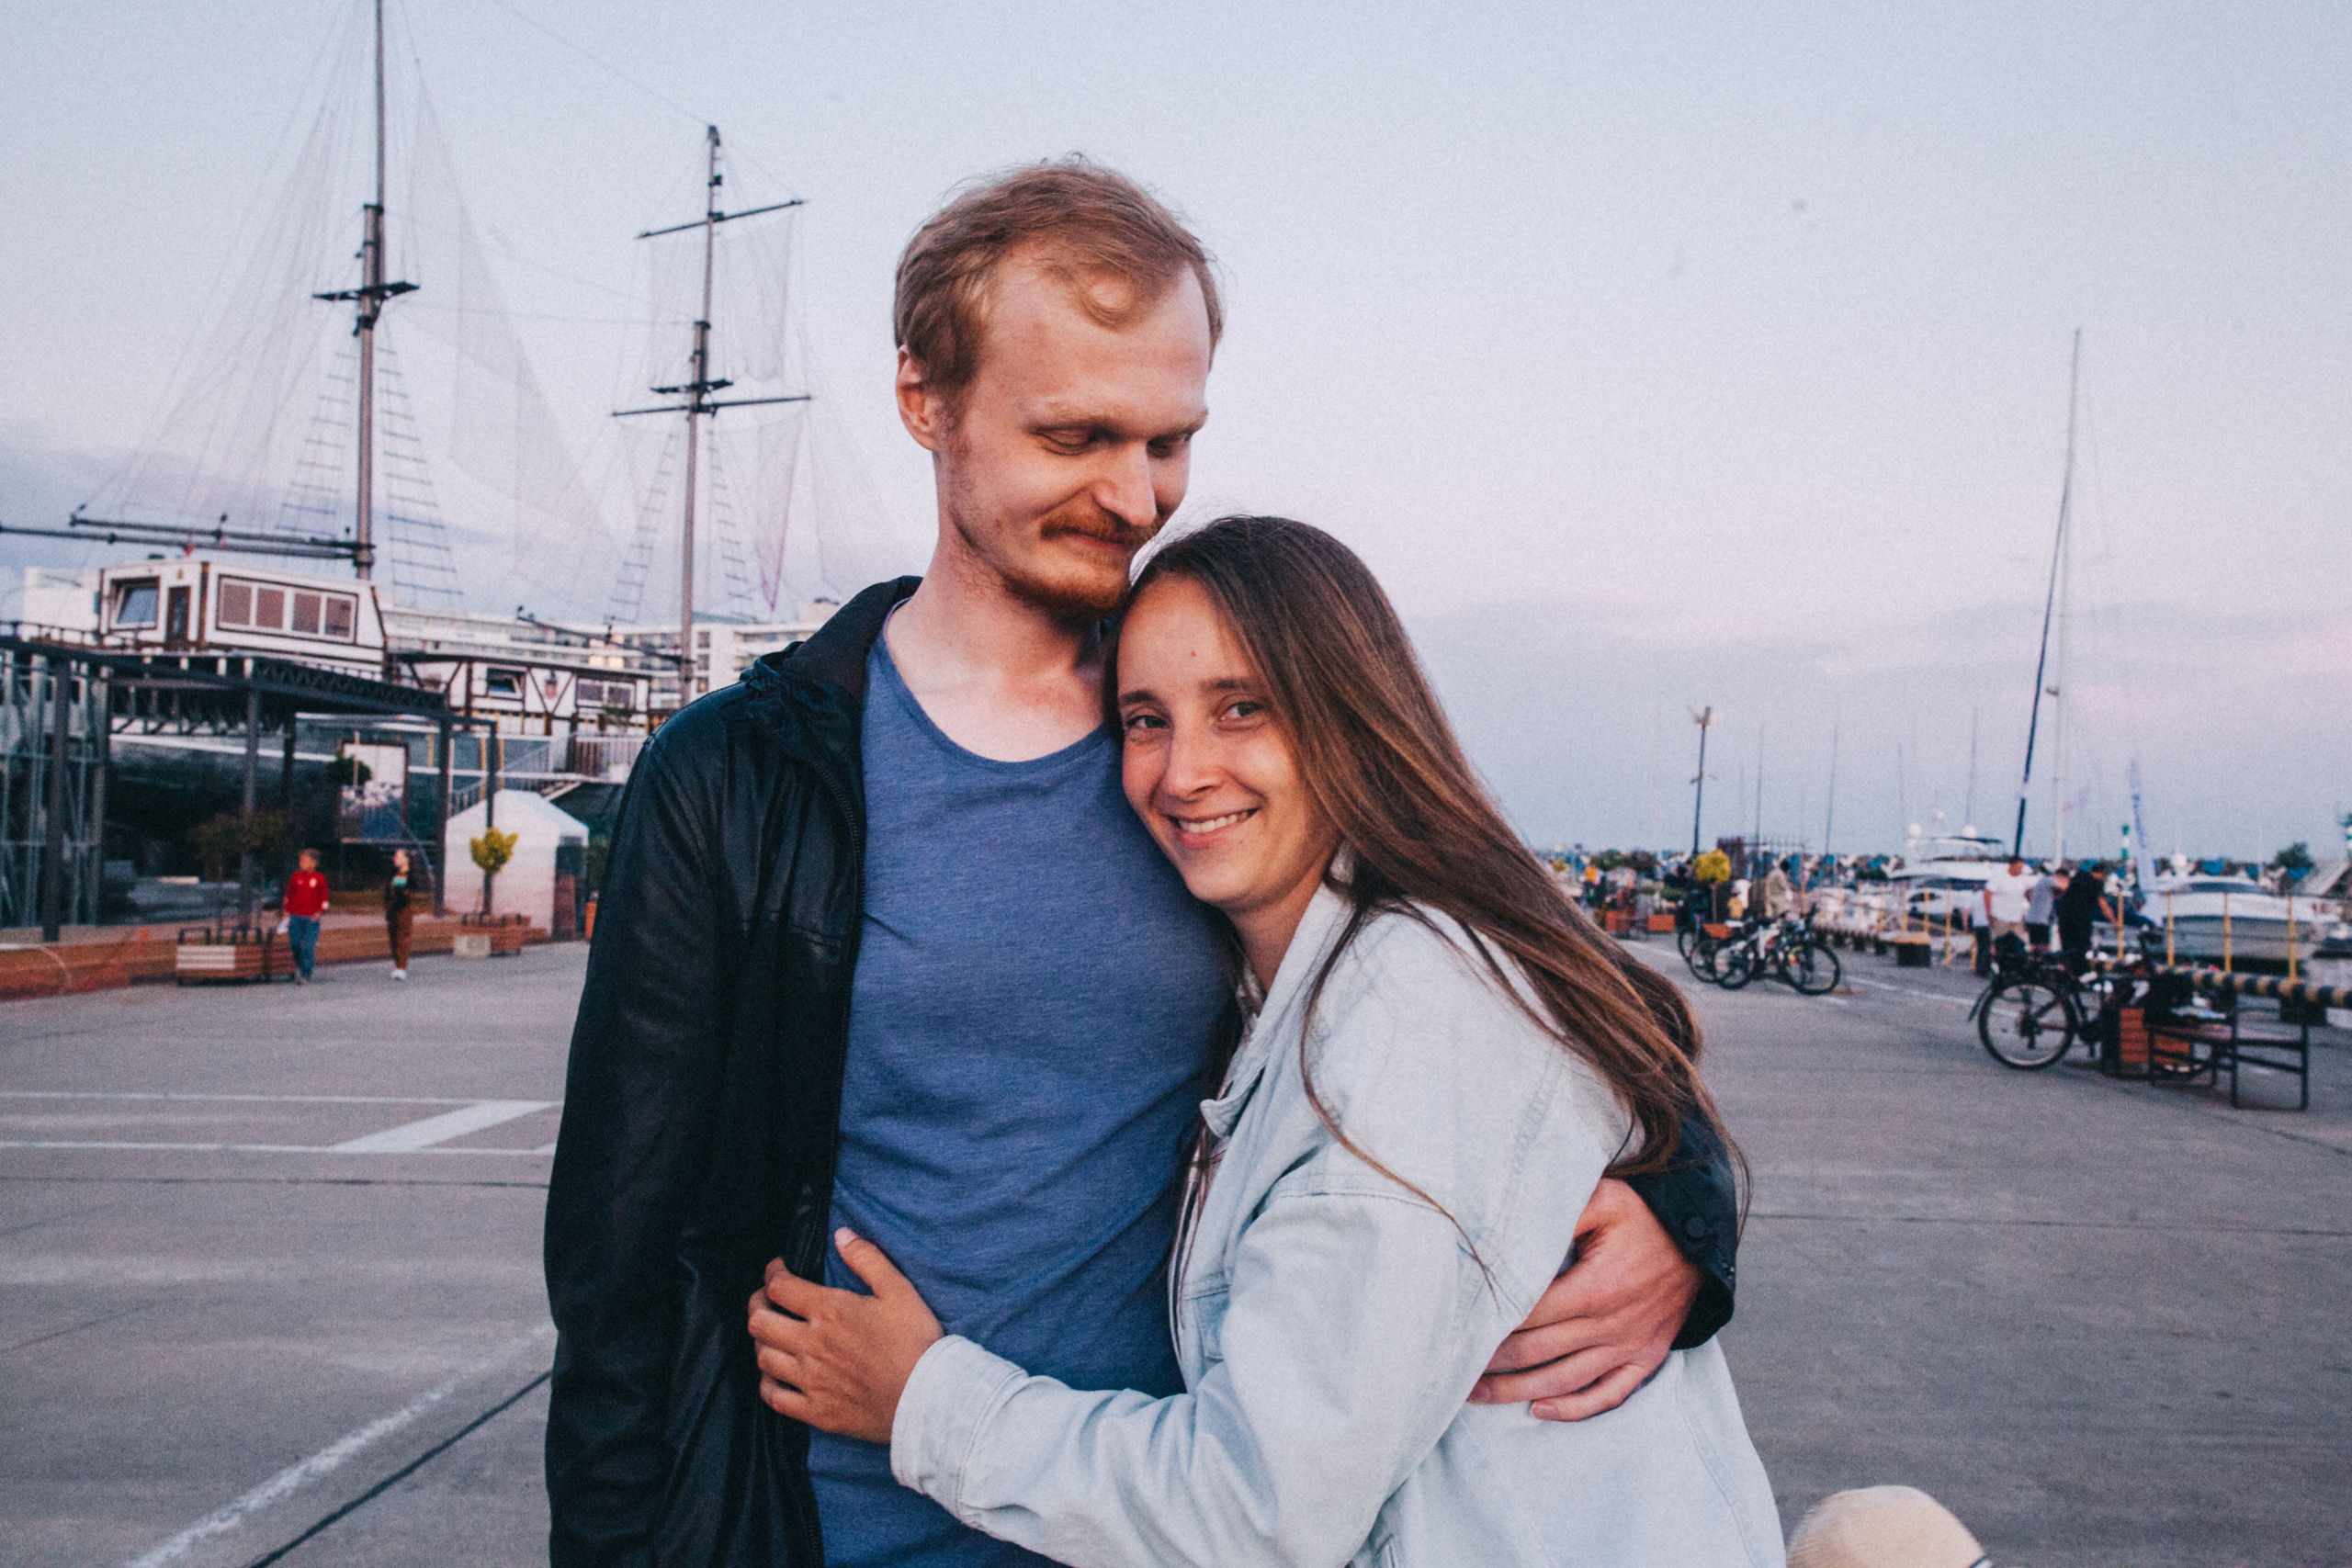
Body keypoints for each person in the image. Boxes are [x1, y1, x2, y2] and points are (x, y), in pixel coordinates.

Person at [544, 162, 1740, 1568]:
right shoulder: (740, 777)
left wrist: (1683, 1222)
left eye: (1170, 440)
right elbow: (623, 1258)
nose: (1134, 494)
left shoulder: (1250, 744)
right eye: (1078, 435)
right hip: (827, 1522)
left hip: (1167, 1526)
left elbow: (1545, 1008)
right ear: (926, 400)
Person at [747, 517, 1781, 1566]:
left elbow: (1257, 1511)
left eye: (1241, 709)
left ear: (1350, 717)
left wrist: (924, 1402)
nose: (1183, 771)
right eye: (1144, 720)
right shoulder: (1297, 988)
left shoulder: (1406, 1013)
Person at [282, 849, 329, 984]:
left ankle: (306, 972)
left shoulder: (319, 879)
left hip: (311, 919)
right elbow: (288, 895)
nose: (301, 863)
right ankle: (300, 965)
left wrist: (320, 912)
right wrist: (286, 909)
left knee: (309, 945)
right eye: (300, 860)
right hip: (296, 916)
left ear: (313, 863)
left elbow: (325, 900)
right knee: (295, 943)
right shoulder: (296, 877)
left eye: (305, 861)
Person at [2053, 860, 2105, 971]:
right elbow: (2102, 903)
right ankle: (2080, 974)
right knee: (2081, 949)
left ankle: (2067, 973)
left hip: (2065, 918)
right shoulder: (2096, 883)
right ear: (2103, 874)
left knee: (2067, 948)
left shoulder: (2077, 878)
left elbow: (2061, 892)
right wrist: (2114, 922)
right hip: (2081, 920)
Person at [383, 848, 421, 981]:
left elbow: (409, 893)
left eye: (398, 856)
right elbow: (388, 893)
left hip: (404, 909)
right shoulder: (394, 874)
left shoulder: (411, 876)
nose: (395, 859)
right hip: (392, 910)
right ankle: (396, 965)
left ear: (406, 859)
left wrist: (401, 897)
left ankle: (401, 967)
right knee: (393, 938)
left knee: (403, 938)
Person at [2026, 862, 2059, 950]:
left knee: (2033, 944)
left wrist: (2031, 902)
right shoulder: (2049, 880)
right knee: (2045, 945)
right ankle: (2046, 961)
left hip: (2032, 918)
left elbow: (2027, 891)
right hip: (2041, 920)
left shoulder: (2040, 881)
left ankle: (2032, 961)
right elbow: (2064, 886)